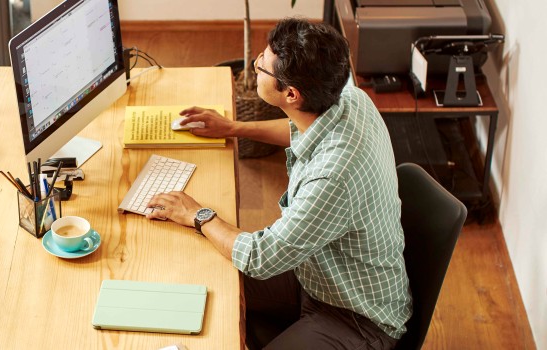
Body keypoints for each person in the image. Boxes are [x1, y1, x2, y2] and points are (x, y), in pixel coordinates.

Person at [146, 18, 411, 349]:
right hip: (317, 273)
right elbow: (302, 129)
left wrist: (198, 215)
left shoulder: (332, 177)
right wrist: (233, 128)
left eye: (263, 65)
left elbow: (261, 257)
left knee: (215, 250)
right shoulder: (349, 98)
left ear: (291, 93)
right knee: (202, 275)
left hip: (355, 317)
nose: (256, 64)